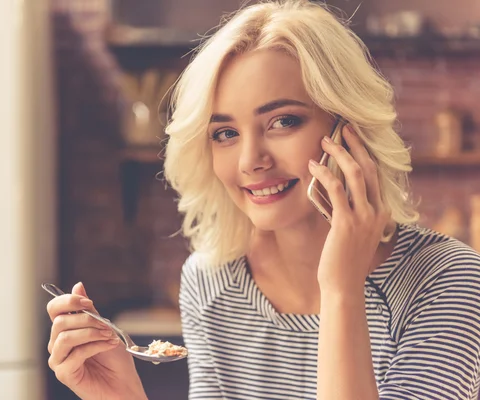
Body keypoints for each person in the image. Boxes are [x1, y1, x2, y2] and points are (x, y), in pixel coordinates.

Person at [45, 1, 480, 399]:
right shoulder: (213, 283)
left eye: (282, 121)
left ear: (349, 131)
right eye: (226, 133)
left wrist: (342, 291)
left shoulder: (448, 283)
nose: (251, 160)